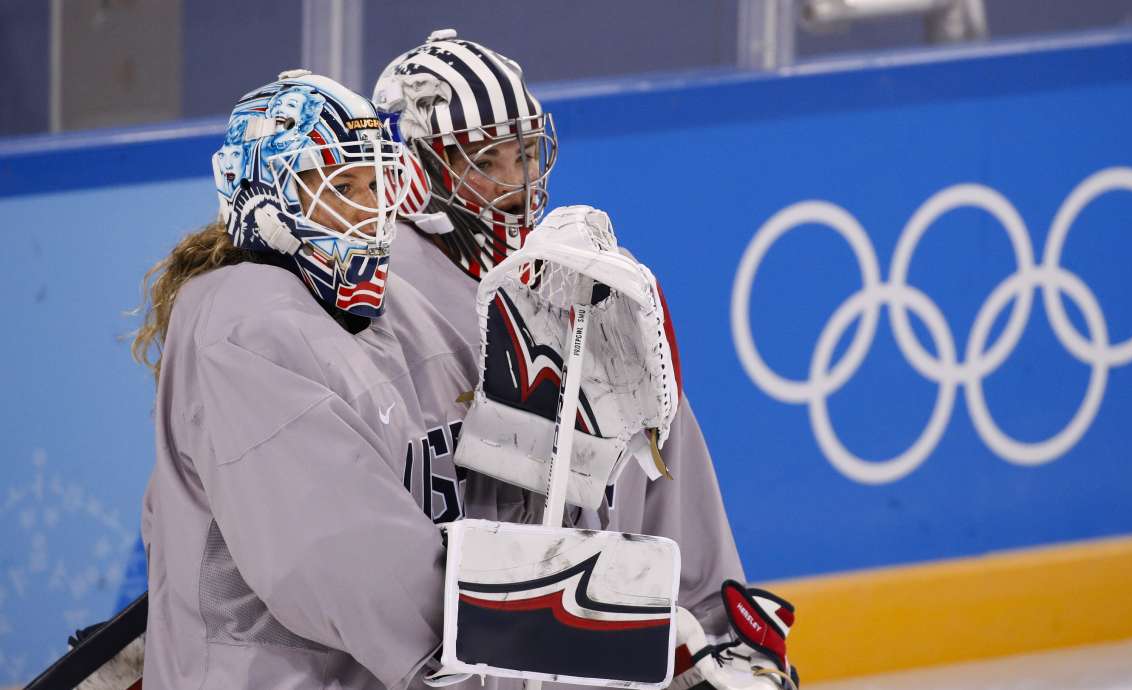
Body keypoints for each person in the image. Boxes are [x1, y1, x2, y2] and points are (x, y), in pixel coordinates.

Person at [371, 29, 748, 641]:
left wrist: (713, 627)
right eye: (483, 162)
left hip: (553, 636)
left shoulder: (574, 276)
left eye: (522, 154)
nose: (515, 183)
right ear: (412, 168)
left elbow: (669, 470)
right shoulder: (362, 301)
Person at [133, 70, 485, 689]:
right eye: (341, 185)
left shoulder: (373, 310)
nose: (368, 212)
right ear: (264, 196)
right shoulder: (246, 329)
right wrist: (488, 655)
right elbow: (346, 558)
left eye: (377, 184)